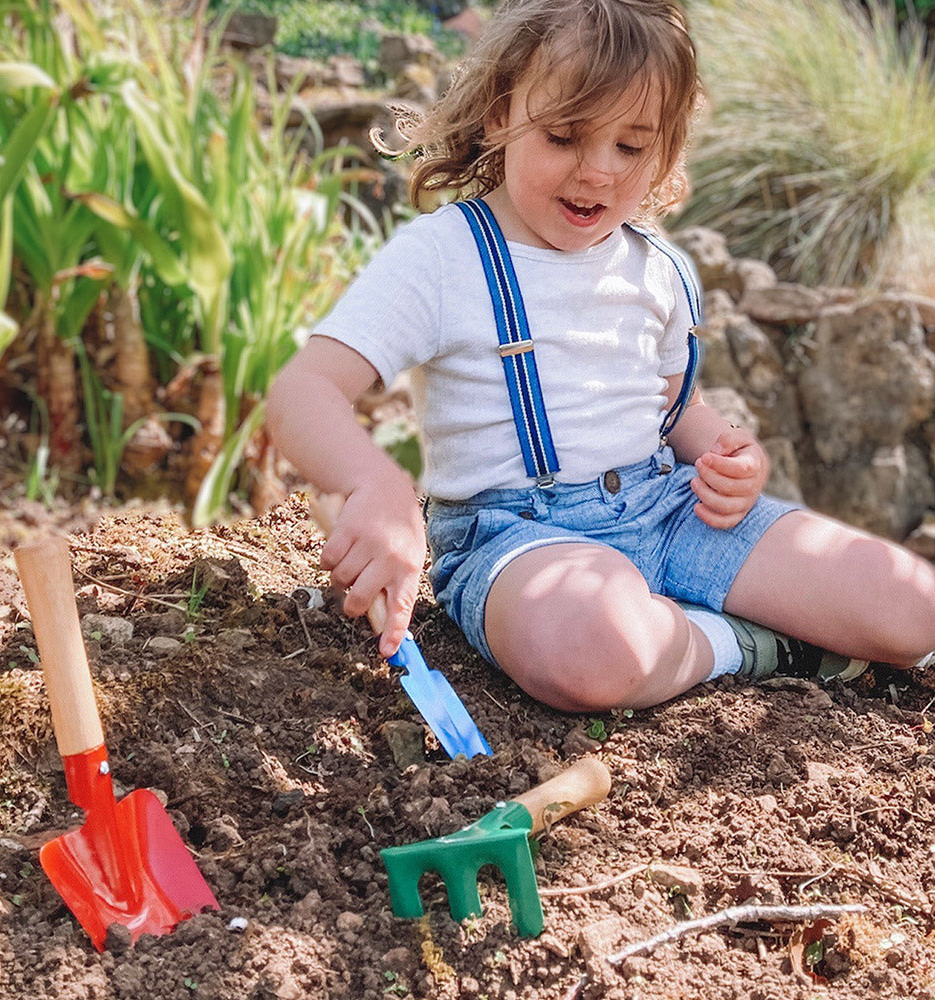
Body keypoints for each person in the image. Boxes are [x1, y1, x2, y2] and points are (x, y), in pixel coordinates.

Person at [266, 0, 935, 713]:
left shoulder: (655, 267)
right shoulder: (443, 258)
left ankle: (689, 628)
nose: (598, 173)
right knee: (593, 647)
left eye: (631, 147)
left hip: (670, 511)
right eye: (564, 137)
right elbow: (302, 391)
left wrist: (727, 459)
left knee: (911, 608)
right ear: (500, 113)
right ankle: (746, 644)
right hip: (521, 540)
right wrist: (377, 486)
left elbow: (674, 411)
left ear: (667, 148)